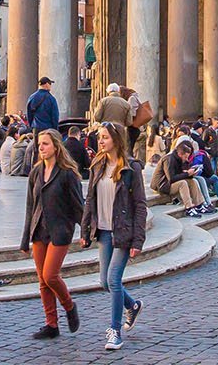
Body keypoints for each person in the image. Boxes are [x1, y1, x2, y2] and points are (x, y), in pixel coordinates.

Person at [81, 122, 147, 352]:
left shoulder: (131, 169)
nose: (100, 141)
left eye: (105, 137)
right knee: (104, 282)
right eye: (100, 137)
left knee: (113, 280)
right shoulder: (97, 165)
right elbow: (90, 199)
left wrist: (138, 240)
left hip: (123, 231)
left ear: (116, 140)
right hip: (103, 230)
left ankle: (115, 331)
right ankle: (133, 305)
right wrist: (85, 230)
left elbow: (140, 205)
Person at [19, 127, 83, 340]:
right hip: (39, 230)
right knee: (42, 281)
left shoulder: (67, 173)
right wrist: (25, 238)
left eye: (45, 144)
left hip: (60, 230)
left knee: (50, 275)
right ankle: (51, 324)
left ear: (56, 146)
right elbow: (30, 206)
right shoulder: (36, 172)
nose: (41, 148)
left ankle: (69, 306)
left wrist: (87, 231)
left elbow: (78, 205)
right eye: (39, 145)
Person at [164, 138, 214, 217]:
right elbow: (171, 178)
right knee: (183, 183)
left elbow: (181, 173)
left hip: (171, 183)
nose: (187, 159)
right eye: (186, 157)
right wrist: (187, 174)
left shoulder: (180, 159)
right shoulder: (169, 159)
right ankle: (189, 208)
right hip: (164, 185)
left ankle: (199, 205)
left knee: (192, 181)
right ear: (180, 154)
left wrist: (190, 173)